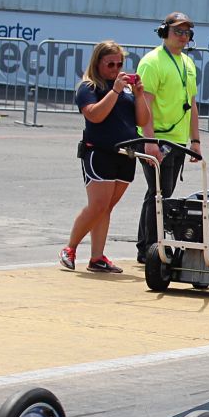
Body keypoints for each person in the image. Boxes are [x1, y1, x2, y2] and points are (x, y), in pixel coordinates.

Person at [61, 41, 138, 273]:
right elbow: (95, 115)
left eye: (119, 64)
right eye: (110, 64)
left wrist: (141, 94)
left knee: (106, 208)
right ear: (98, 63)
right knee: (97, 205)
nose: (115, 69)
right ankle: (70, 247)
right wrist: (114, 91)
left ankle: (97, 257)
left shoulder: (125, 89)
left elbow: (142, 120)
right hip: (100, 152)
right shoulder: (89, 87)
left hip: (126, 153)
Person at [133, 12, 202, 265]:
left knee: (164, 192)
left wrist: (195, 142)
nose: (183, 37)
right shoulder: (152, 62)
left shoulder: (188, 63)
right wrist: (149, 141)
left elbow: (192, 104)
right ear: (165, 32)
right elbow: (144, 104)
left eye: (187, 33)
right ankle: (150, 247)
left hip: (177, 140)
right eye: (178, 32)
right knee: (158, 193)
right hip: (156, 137)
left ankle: (151, 243)